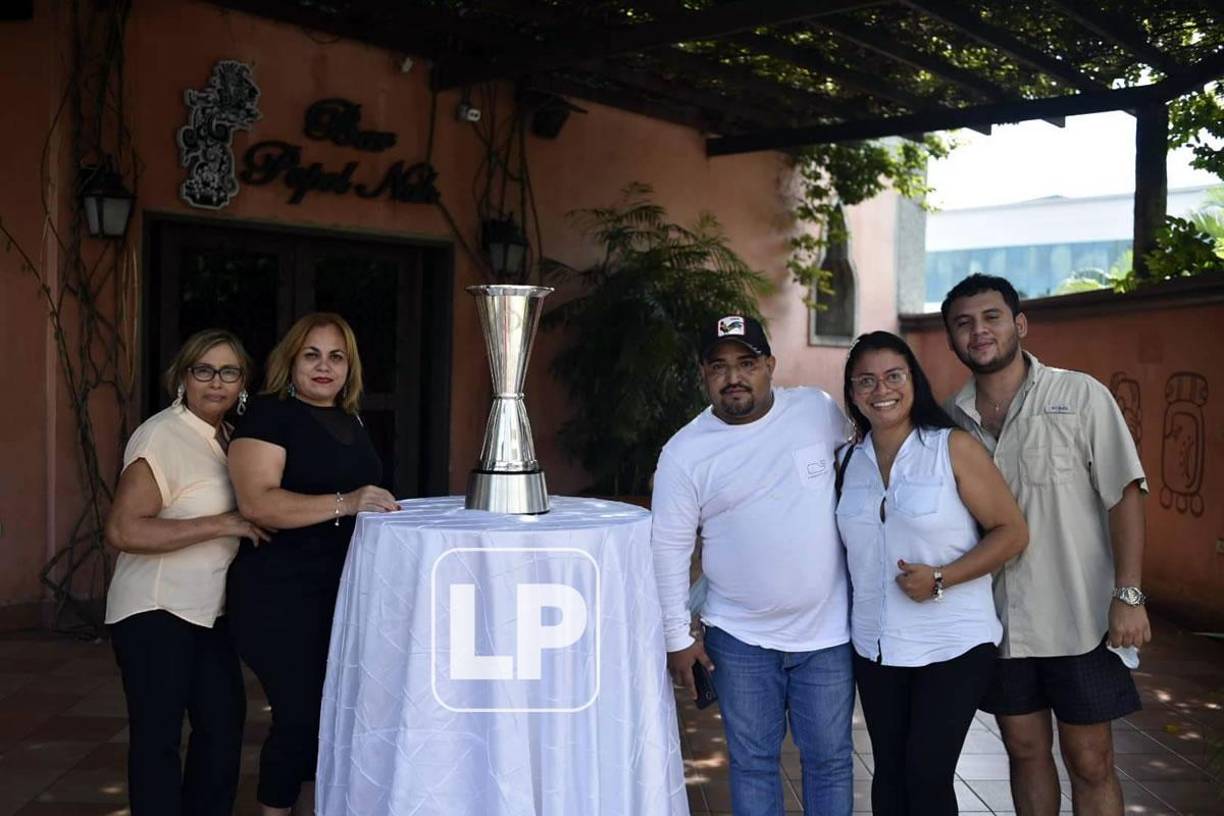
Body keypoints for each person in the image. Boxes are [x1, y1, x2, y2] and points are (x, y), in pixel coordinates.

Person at [941, 274, 1150, 815]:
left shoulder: (1080, 396)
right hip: (997, 624)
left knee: (1091, 760)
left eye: (991, 317)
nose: (978, 332)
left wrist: (1128, 595)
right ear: (951, 339)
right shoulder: (947, 419)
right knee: (1024, 752)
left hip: (1079, 618)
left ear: (1020, 324)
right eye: (963, 323)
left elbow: (1124, 493)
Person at [650, 314, 855, 815]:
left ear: (770, 366)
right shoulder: (683, 453)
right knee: (754, 762)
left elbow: (863, 471)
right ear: (703, 373)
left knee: (830, 761)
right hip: (739, 638)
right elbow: (668, 549)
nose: (733, 376)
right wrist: (678, 638)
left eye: (747, 363)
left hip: (826, 634)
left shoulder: (816, 411)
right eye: (719, 366)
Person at [836, 331, 1028, 815]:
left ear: (913, 382)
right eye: (866, 381)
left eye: (894, 376)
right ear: (853, 393)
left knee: (927, 775)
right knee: (890, 776)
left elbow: (1011, 532)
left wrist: (942, 577)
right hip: (875, 646)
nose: (881, 389)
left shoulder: (952, 447)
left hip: (952, 644)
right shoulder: (846, 461)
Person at [227, 313, 399, 816]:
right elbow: (257, 503)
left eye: (336, 356)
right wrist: (347, 502)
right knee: (299, 718)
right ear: (291, 361)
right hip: (277, 596)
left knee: (334, 717)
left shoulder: (352, 420)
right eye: (312, 355)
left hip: (338, 595)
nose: (324, 367)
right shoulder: (268, 415)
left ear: (350, 367)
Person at [104, 328, 268, 816]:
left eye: (229, 372)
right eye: (204, 370)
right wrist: (223, 523)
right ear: (183, 377)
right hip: (154, 610)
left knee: (222, 728)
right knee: (157, 742)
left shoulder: (228, 437)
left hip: (206, 613)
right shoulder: (163, 435)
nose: (216, 382)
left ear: (243, 383)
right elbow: (123, 529)